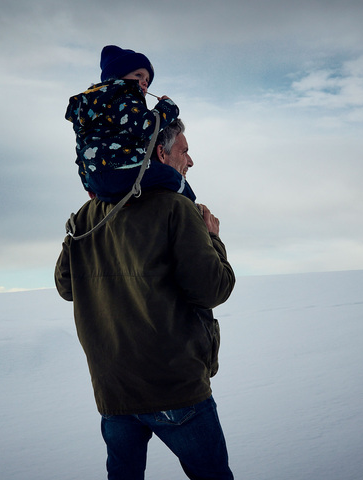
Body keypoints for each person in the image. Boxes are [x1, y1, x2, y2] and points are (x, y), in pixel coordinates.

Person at [55, 119, 236, 479]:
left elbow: (66, 286)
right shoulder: (176, 207)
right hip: (174, 389)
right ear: (160, 153)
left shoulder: (86, 215)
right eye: (184, 150)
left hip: (114, 391)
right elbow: (213, 289)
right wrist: (212, 237)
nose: (191, 160)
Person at [65, 45, 196, 202]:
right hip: (123, 170)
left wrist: (88, 183)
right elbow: (147, 127)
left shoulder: (91, 109)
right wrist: (167, 108)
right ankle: (193, 208)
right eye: (139, 75)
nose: (145, 82)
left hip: (97, 179)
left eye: (147, 79)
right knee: (171, 176)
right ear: (117, 77)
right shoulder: (123, 97)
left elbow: (81, 148)